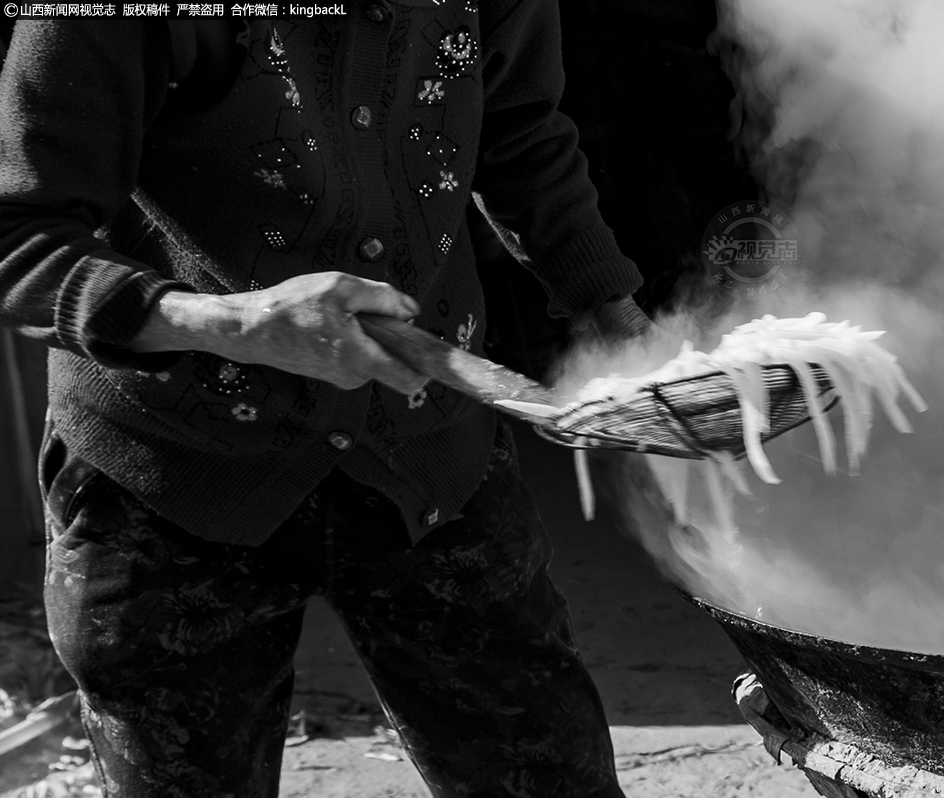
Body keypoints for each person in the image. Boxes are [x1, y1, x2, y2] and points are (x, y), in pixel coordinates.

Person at [0, 8, 651, 797]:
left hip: (428, 451)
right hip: (170, 467)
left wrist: (616, 316)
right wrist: (235, 324)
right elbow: (19, 239)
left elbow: (517, 130)